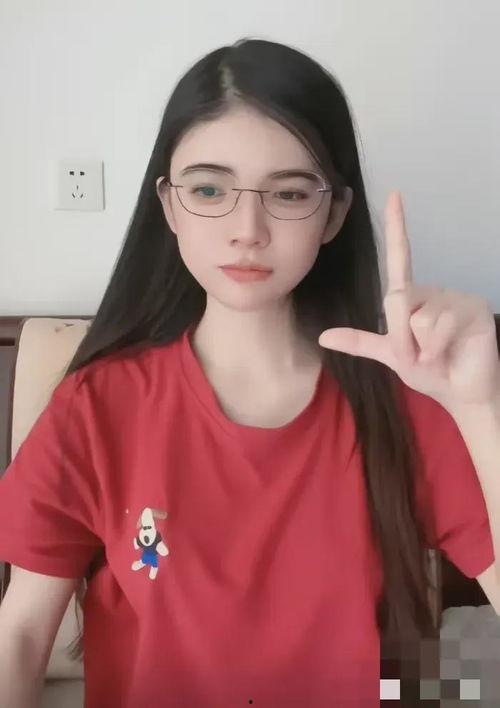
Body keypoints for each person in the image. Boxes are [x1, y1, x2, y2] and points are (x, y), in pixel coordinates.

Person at [0, 37, 496, 707]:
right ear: (169, 205)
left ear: (334, 214)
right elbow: (21, 635)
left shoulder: (402, 399)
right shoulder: (97, 405)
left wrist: (478, 406)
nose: (248, 229)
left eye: (288, 193)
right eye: (210, 189)